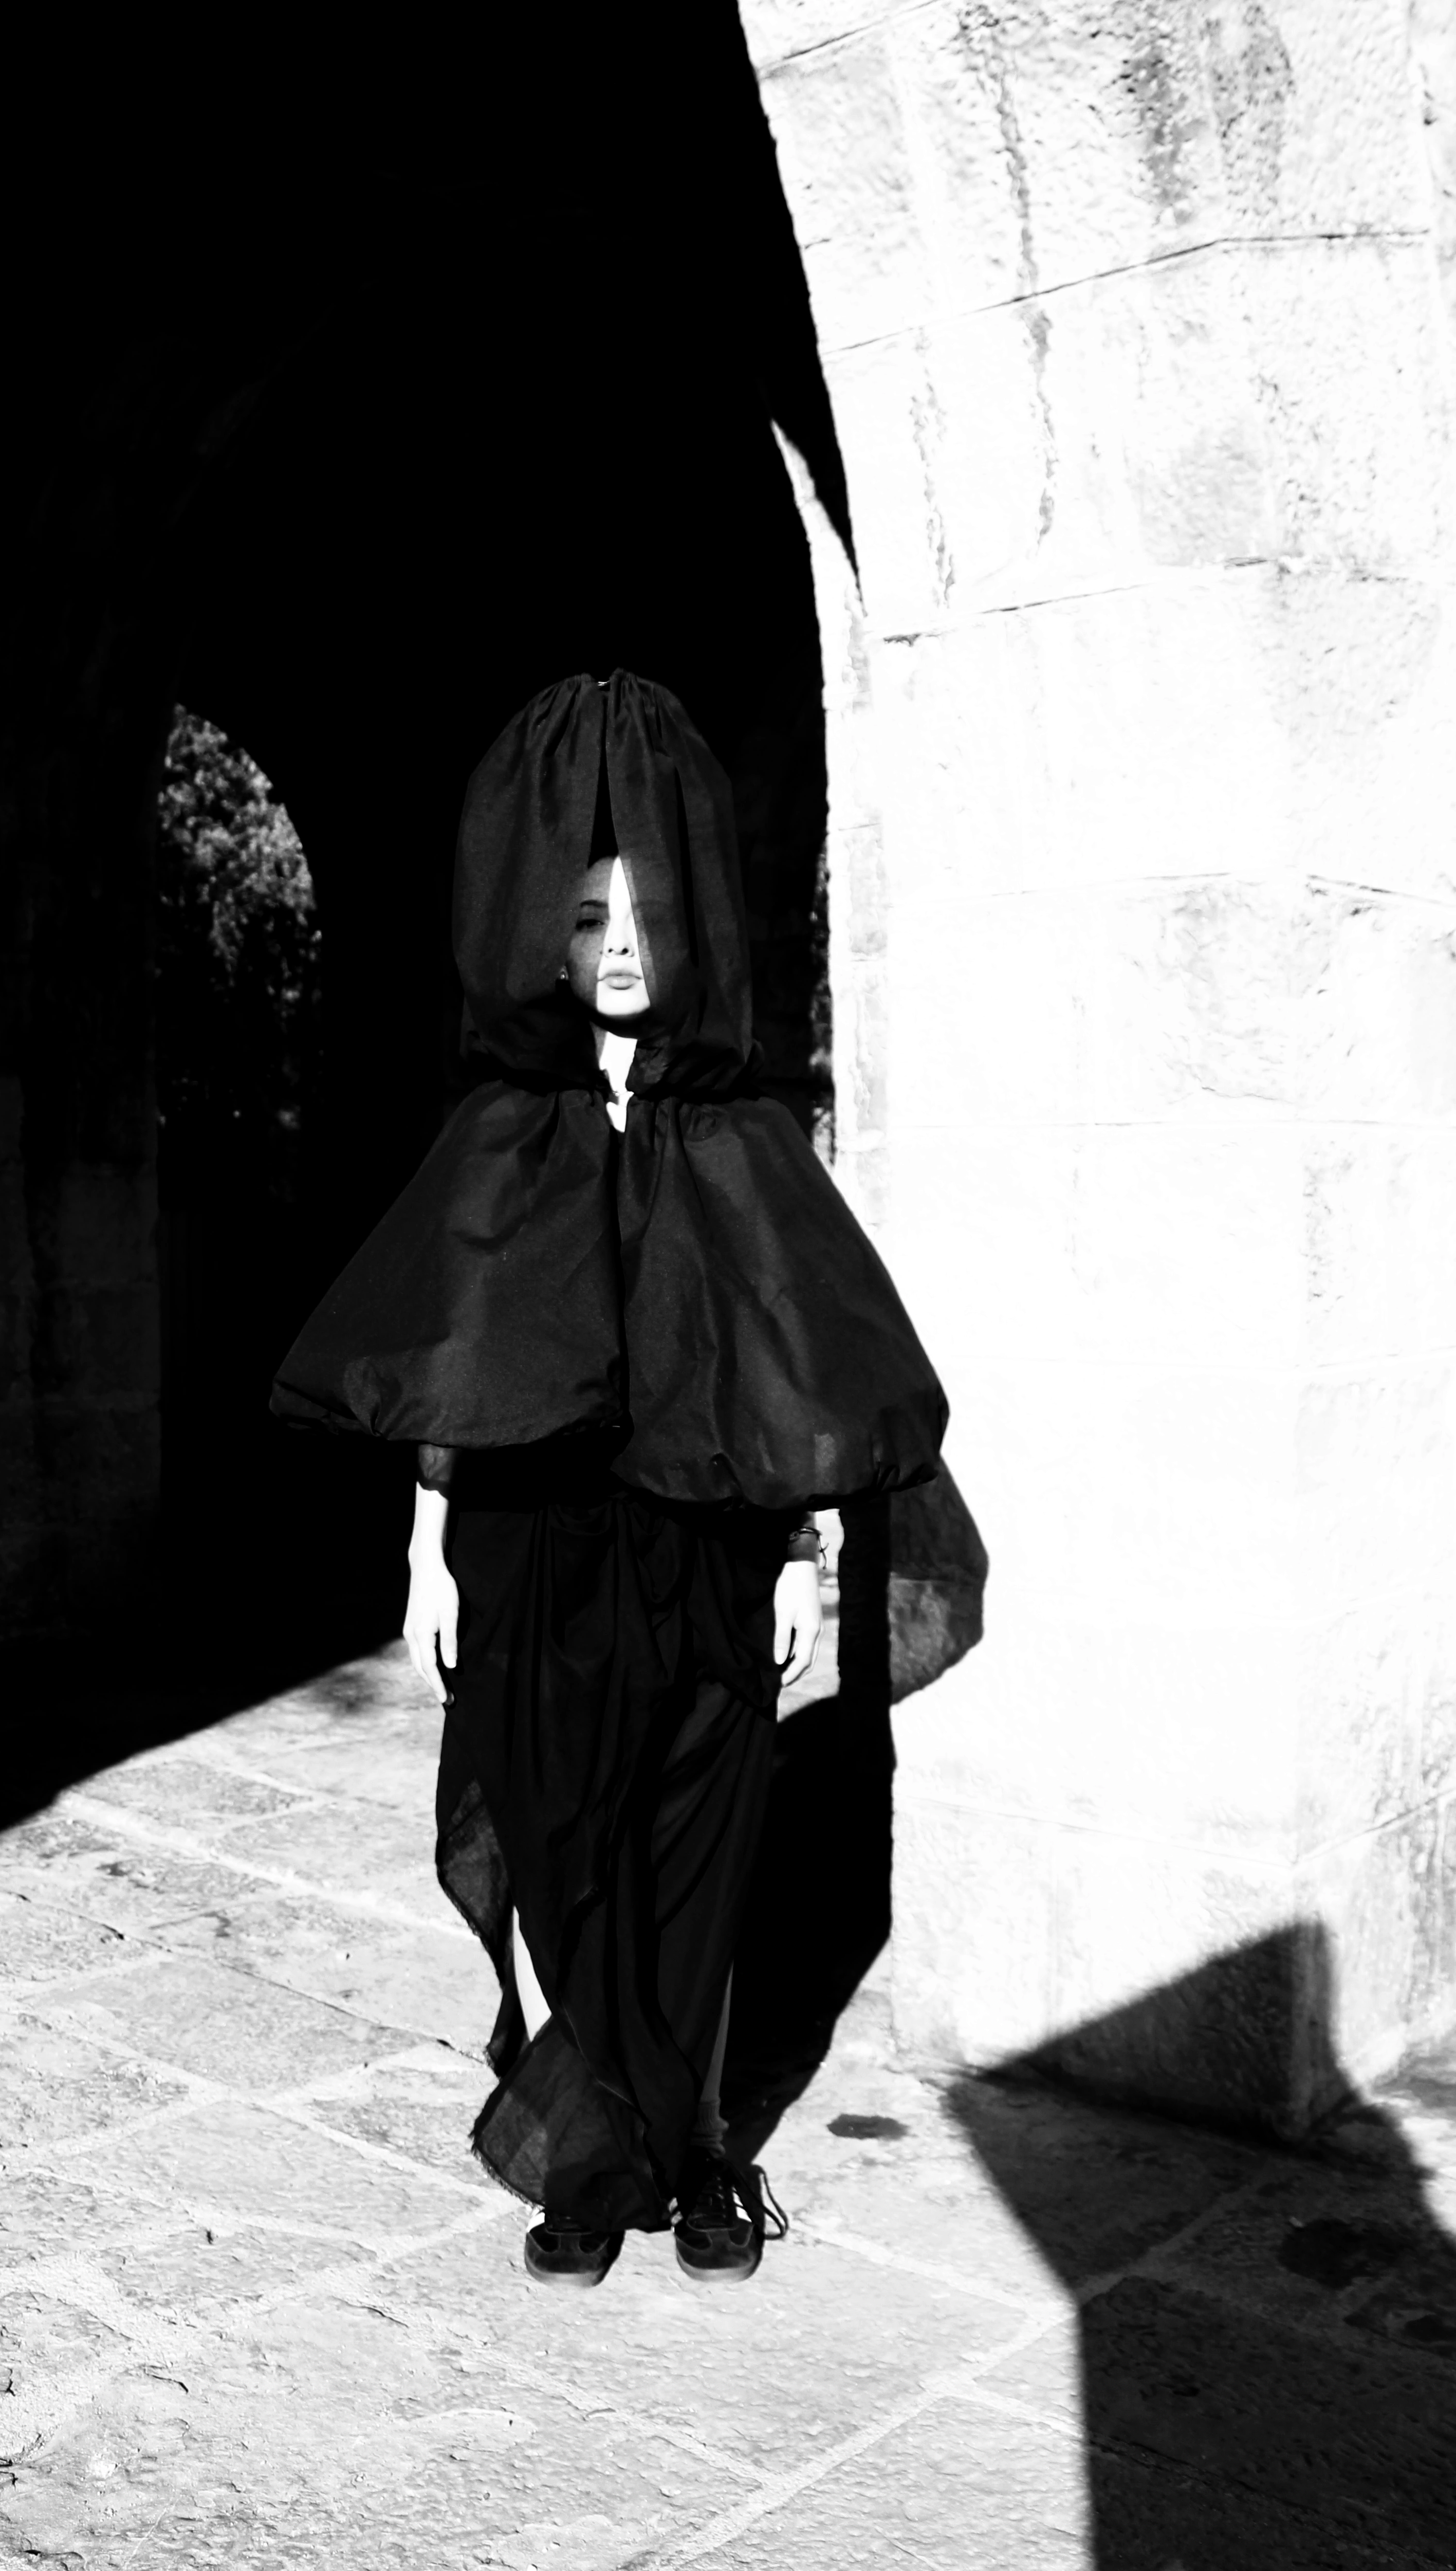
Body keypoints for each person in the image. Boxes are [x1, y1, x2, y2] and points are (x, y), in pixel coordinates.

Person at [272, 672, 945, 2288]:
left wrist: (804, 1556)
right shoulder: (503, 1131)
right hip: (533, 1549)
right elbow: (448, 1363)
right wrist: (426, 1554)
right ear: (545, 940)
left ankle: (691, 2156)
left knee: (693, 1858)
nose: (619, 945)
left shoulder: (743, 1134)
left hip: (702, 1545)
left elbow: (792, 1364)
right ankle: (594, 2146)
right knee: (564, 1853)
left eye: (643, 914)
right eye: (587, 917)